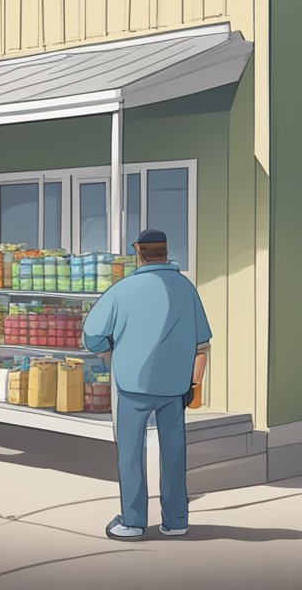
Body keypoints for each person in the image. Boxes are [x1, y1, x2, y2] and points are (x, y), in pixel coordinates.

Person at [84, 229, 212, 541]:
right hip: (175, 388)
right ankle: (177, 520)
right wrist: (195, 386)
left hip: (133, 385)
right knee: (174, 453)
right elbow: (202, 344)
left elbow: (92, 336)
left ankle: (133, 521)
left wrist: (111, 342)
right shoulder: (186, 288)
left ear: (138, 251)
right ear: (166, 251)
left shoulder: (123, 289)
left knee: (130, 452)